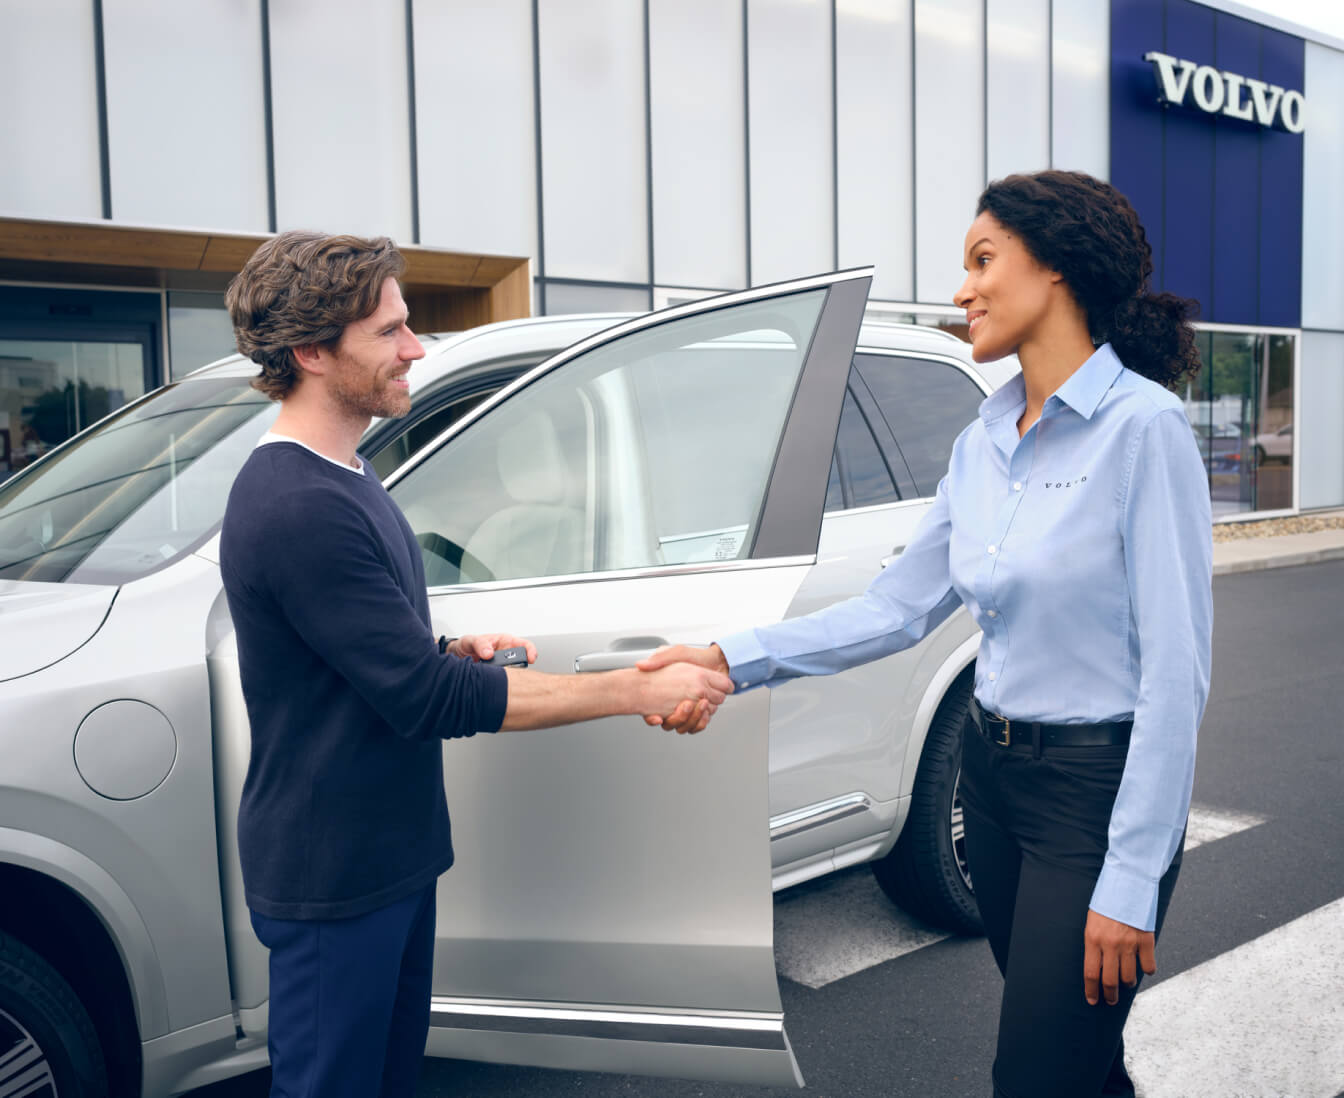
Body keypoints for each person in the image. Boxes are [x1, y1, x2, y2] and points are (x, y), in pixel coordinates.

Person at [641, 170, 1212, 1098]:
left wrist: (1132, 875)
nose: (962, 289)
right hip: (989, 790)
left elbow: (1176, 676)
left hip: (1090, 804)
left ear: (1058, 266)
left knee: (1034, 1074)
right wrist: (727, 659)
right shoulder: (981, 440)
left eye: (983, 260)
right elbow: (897, 608)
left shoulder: (1143, 430)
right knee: (1077, 1062)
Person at [219, 230, 733, 1098]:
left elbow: (364, 656)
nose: (414, 348)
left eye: (407, 324)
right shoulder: (296, 502)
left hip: (389, 856)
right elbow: (424, 701)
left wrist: (446, 647)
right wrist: (631, 686)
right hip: (333, 878)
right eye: (388, 332)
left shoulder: (347, 473)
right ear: (312, 351)